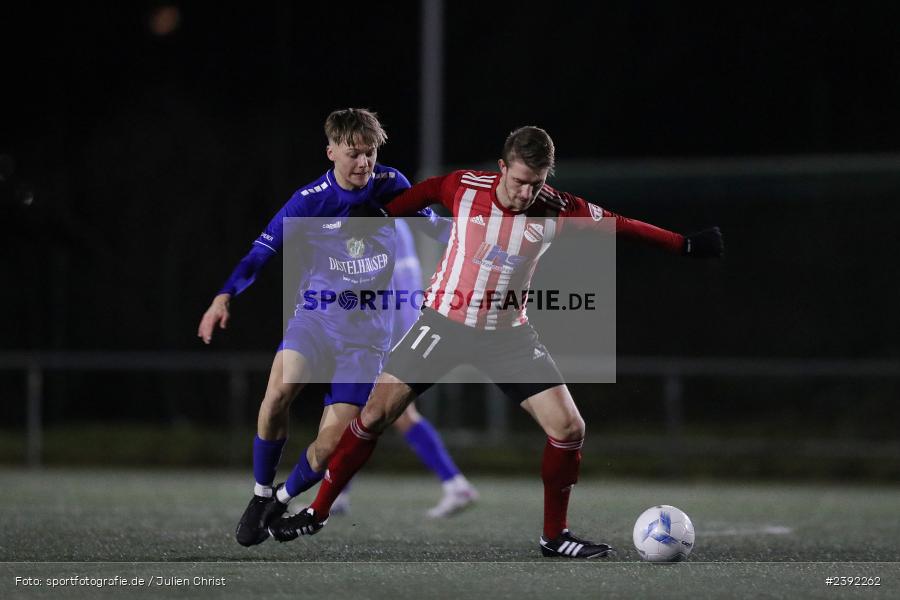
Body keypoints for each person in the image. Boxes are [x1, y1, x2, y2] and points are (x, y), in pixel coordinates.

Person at [268, 125, 724, 558]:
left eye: (538, 182)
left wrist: (683, 245)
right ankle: (316, 512)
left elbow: (621, 225)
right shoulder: (463, 187)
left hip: (509, 336)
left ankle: (554, 536)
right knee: (374, 415)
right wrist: (383, 213)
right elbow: (422, 193)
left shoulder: (557, 206)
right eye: (522, 181)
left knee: (570, 429)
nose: (528, 192)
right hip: (442, 325)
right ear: (503, 168)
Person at [197, 108, 476, 548]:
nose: (364, 163)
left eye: (370, 153)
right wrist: (224, 295)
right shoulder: (309, 200)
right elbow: (261, 251)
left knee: (330, 446)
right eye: (353, 154)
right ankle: (259, 494)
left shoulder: (391, 185)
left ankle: (282, 499)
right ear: (331, 153)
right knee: (276, 397)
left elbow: (433, 227)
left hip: (366, 338)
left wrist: (480, 241)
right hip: (316, 319)